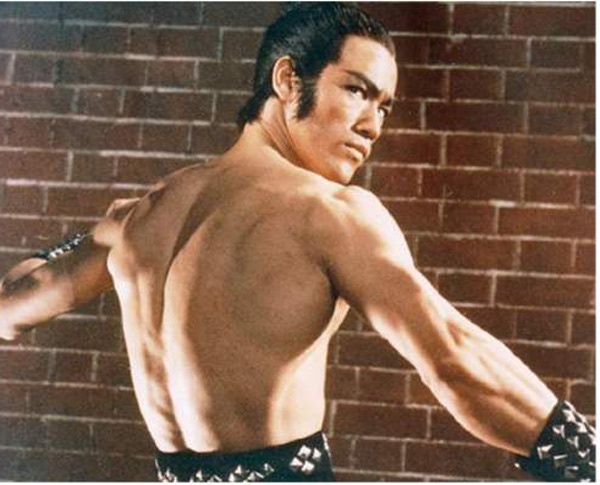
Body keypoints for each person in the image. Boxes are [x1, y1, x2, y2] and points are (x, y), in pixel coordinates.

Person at [0, 3, 594, 482]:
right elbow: (457, 361)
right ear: (288, 79)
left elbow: (16, 301)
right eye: (357, 90)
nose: (373, 125)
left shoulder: (138, 216)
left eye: (384, 106)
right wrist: (587, 459)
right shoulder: (331, 212)